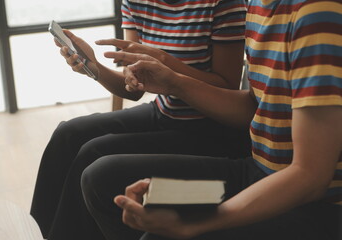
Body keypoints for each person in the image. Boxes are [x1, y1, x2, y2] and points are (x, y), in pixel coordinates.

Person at [80, 0, 342, 239]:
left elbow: (310, 178)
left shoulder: (316, 15)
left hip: (316, 207)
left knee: (160, 234)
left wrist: (197, 223)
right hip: (260, 169)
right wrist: (175, 83)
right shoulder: (259, 6)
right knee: (101, 175)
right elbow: (254, 108)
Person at [30, 0, 250, 239]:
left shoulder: (223, 4)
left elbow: (227, 87)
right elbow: (133, 89)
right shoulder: (136, 2)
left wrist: (166, 64)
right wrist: (94, 67)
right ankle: (35, 233)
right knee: (69, 134)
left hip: (210, 125)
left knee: (92, 153)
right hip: (164, 111)